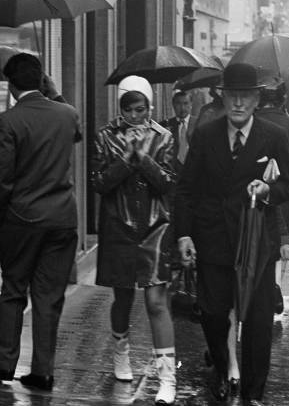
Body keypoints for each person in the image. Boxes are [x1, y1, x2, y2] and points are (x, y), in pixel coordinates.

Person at [176, 63, 289, 406]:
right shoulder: (205, 134)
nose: (238, 104)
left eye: (245, 97)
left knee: (259, 321)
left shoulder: (275, 136)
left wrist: (268, 189)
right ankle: (221, 367)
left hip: (256, 242)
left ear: (257, 100)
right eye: (232, 97)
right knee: (212, 314)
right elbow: (186, 190)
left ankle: (255, 392)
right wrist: (184, 235)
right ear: (222, 98)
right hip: (212, 240)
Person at [0, 53, 81, 391]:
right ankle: (42, 371)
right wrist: (54, 94)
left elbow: (0, 181)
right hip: (62, 220)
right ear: (43, 80)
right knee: (49, 296)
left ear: (10, 87)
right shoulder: (66, 114)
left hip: (21, 220)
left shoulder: (8, 122)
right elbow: (76, 128)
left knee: (13, 291)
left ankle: (4, 365)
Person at [91, 75, 177, 405]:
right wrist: (126, 159)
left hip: (155, 227)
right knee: (123, 299)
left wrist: (143, 157)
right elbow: (99, 183)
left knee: (156, 302)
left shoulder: (163, 137)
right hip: (118, 227)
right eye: (128, 110)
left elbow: (167, 183)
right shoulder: (104, 137)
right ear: (120, 108)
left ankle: (167, 376)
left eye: (141, 110)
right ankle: (121, 349)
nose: (135, 117)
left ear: (150, 108)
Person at [254, 77, 289, 309]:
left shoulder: (254, 124)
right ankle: (274, 289)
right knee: (281, 247)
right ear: (282, 100)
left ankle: (268, 290)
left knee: (260, 246)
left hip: (258, 193)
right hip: (286, 195)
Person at [160, 90, 198, 172]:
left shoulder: (199, 123)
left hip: (194, 170)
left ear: (191, 104)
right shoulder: (165, 125)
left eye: (186, 103)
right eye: (178, 104)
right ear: (173, 105)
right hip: (172, 170)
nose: (182, 108)